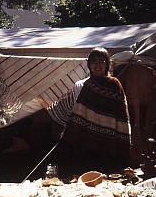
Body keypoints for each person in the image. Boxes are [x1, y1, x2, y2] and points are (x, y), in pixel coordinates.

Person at [47, 47, 132, 175]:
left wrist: (122, 137)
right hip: (88, 140)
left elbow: (121, 116)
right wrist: (68, 134)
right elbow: (80, 112)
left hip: (109, 138)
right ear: (89, 65)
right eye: (94, 62)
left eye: (101, 61)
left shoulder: (115, 84)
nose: (97, 65)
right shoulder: (88, 85)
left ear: (107, 64)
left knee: (107, 175)